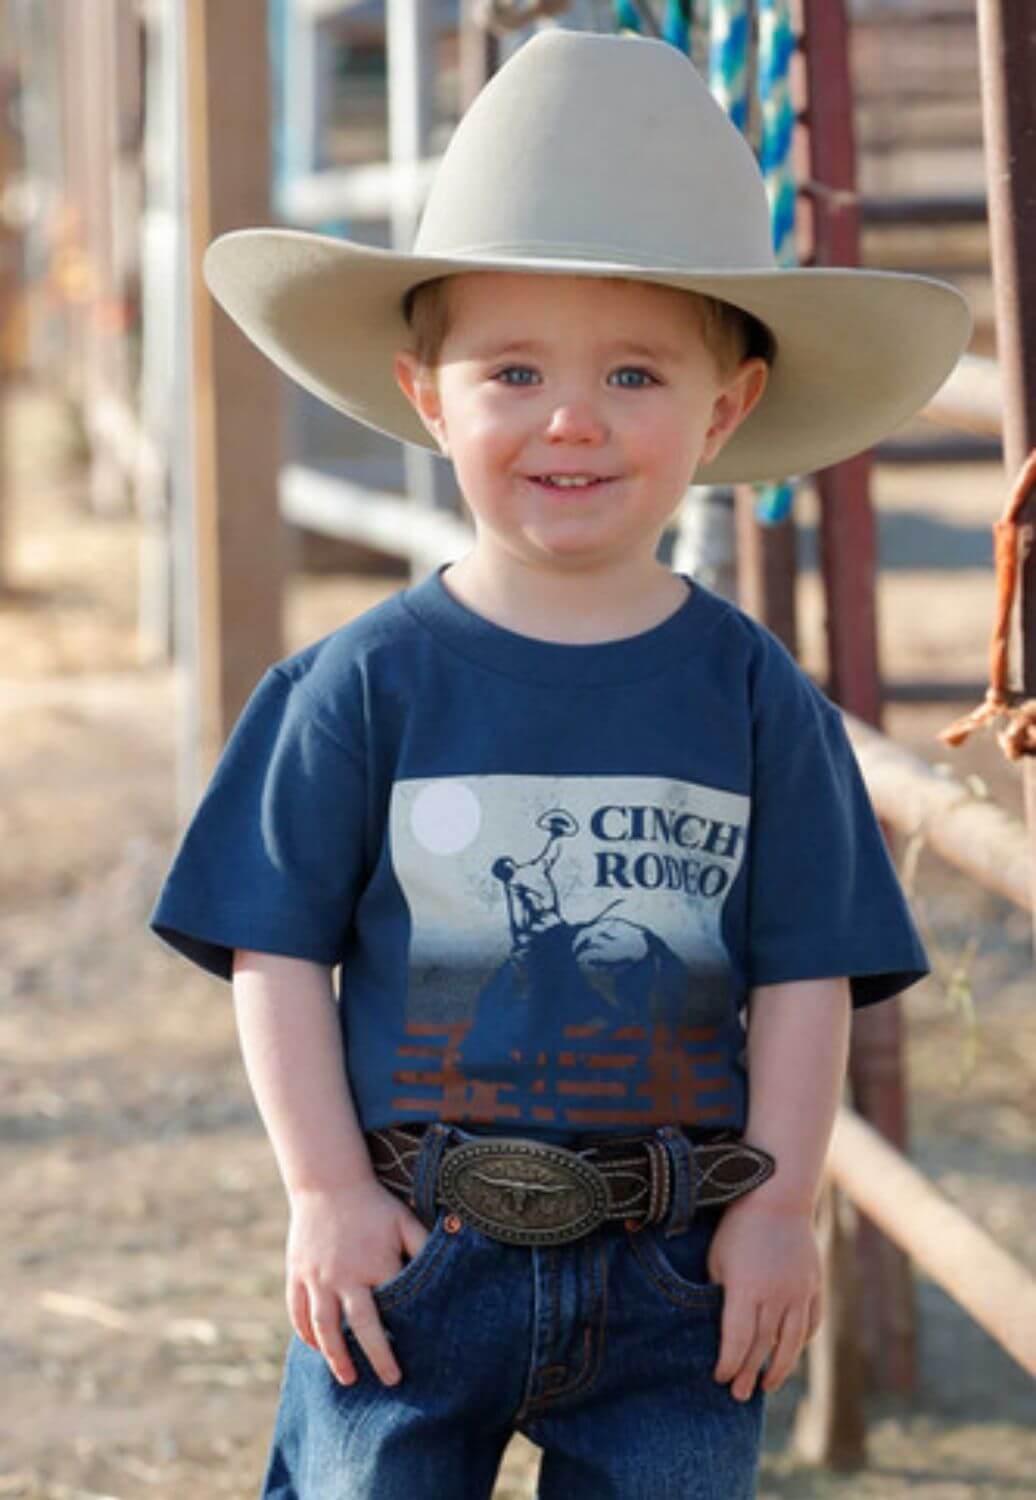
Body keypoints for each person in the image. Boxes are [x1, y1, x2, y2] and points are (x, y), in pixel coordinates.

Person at [151, 29, 970, 1500]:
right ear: (428, 394)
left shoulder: (756, 700)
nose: (571, 418)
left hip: (676, 1266)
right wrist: (324, 1190)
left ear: (726, 408)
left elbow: (806, 974)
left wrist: (777, 1210)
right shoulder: (355, 690)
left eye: (635, 372)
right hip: (414, 1250)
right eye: (513, 369)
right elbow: (275, 953)